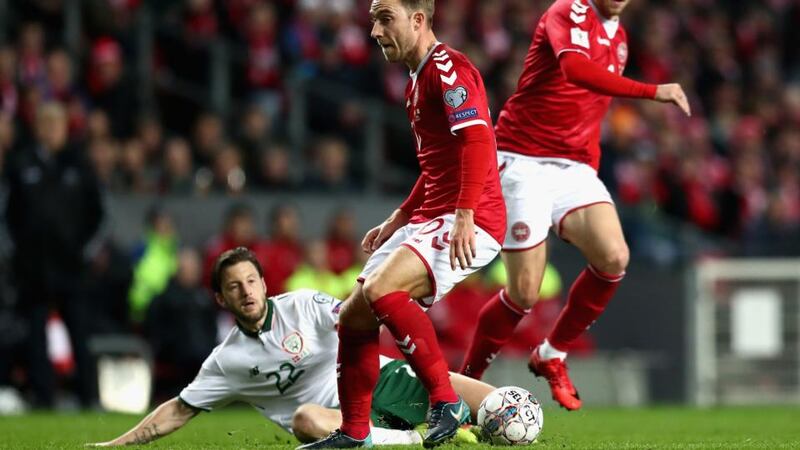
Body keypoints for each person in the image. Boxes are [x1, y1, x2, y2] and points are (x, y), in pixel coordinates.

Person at [458, 0, 691, 411]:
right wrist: (654, 91)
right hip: (523, 160)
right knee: (524, 291)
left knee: (614, 257)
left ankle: (552, 353)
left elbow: (587, 109)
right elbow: (575, 71)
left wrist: (590, 159)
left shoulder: (618, 37)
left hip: (574, 168)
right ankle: (464, 387)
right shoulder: (567, 12)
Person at [300, 1, 505, 447]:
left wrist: (466, 213)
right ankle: (355, 433)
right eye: (373, 20)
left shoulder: (447, 67)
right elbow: (437, 166)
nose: (374, 30)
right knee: (353, 317)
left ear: (418, 20)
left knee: (381, 291)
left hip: (469, 218)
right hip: (434, 215)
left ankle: (445, 400)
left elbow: (477, 139)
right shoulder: (414, 81)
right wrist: (399, 218)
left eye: (384, 17)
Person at [86, 247, 492, 447]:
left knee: (502, 406)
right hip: (335, 422)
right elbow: (178, 409)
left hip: (380, 382)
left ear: (264, 284)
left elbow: (355, 325)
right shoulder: (227, 361)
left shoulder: (302, 304)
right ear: (221, 299)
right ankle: (415, 440)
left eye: (250, 281)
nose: (245, 291)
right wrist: (118, 444)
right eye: (233, 287)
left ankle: (453, 419)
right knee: (305, 420)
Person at [3, 101, 104, 407]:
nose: (50, 130)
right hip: (32, 267)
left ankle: (89, 397)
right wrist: (14, 254)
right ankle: (43, 398)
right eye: (44, 123)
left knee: (79, 333)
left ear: (65, 128)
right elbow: (7, 216)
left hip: (71, 266)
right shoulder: (21, 165)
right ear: (37, 128)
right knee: (35, 337)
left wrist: (85, 252)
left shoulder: (79, 165)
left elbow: (100, 215)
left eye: (55, 123)